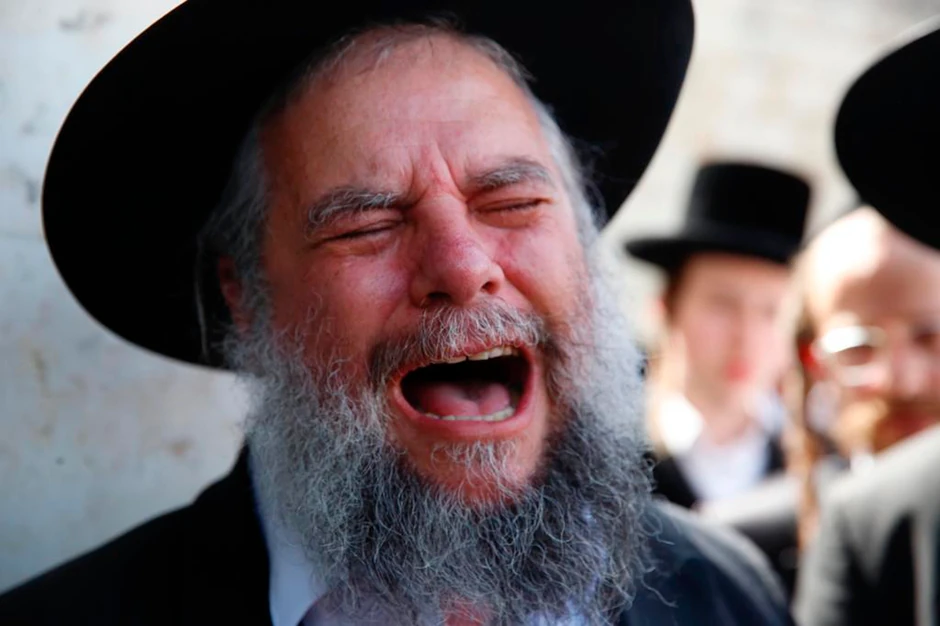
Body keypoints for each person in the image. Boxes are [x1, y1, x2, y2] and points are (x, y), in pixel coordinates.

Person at [0, 2, 793, 625]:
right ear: (246, 297)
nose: (464, 267)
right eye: (366, 225)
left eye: (511, 203)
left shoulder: (729, 596)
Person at [794, 19, 940, 626]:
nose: (900, 379)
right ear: (815, 359)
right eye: (859, 346)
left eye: (931, 336)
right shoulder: (877, 523)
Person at [624, 161, 811, 510]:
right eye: (722, 305)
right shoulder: (608, 449)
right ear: (666, 308)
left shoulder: (813, 465)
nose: (745, 336)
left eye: (771, 312)